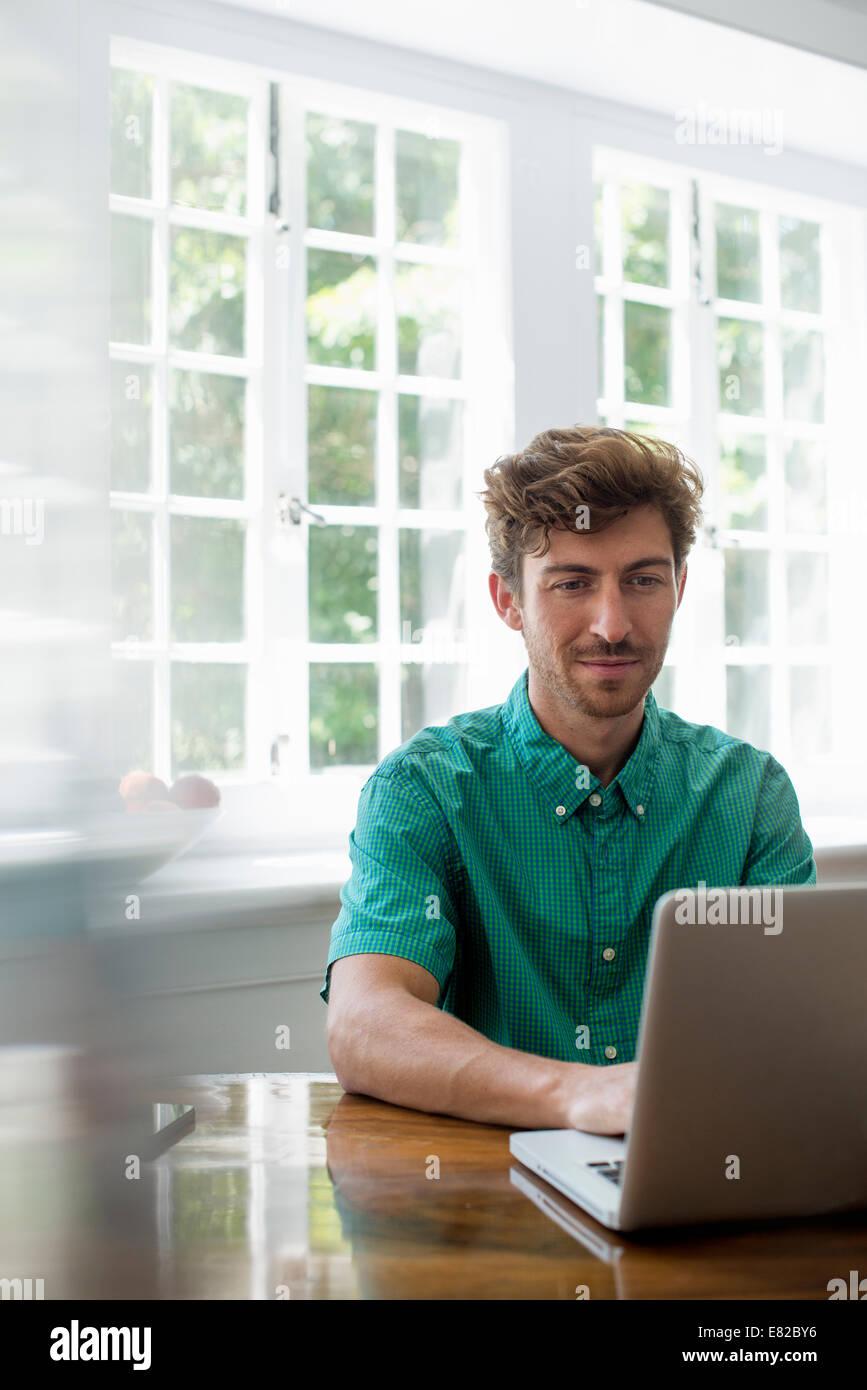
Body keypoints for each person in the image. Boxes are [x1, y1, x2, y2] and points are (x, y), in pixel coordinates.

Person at [320, 426, 816, 1134]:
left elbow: (794, 1029)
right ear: (508, 601)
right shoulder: (423, 789)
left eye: (642, 580)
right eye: (572, 583)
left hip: (699, 1185)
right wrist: (574, 1095)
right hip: (484, 1204)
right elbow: (364, 1026)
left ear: (679, 586)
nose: (612, 626)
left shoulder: (749, 793)